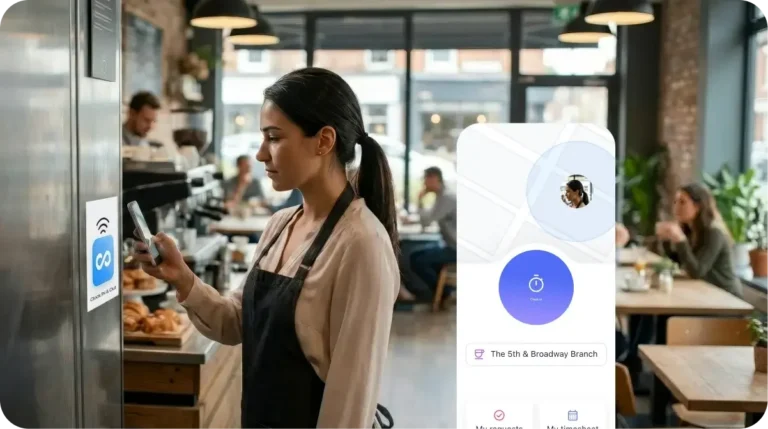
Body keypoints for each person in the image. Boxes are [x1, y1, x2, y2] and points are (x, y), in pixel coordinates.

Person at [133, 67, 398, 429]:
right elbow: (236, 323)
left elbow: (351, 400)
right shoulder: (280, 224)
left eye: (274, 138)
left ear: (323, 141)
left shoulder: (361, 244)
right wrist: (182, 278)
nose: (260, 154)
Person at [656, 183, 741, 296]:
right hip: (706, 293)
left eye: (682, 202)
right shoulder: (691, 230)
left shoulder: (714, 233)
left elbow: (697, 271)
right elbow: (682, 262)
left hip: (726, 298)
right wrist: (666, 239)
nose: (676, 206)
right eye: (675, 201)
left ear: (697, 207)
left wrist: (680, 240)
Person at [407, 167, 457, 295]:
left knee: (418, 260)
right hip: (450, 245)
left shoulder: (447, 198)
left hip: (455, 249)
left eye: (426, 179)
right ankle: (441, 292)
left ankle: (445, 293)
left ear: (434, 178)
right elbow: (429, 217)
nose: (424, 183)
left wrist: (419, 200)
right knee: (415, 255)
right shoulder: (442, 195)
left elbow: (427, 221)